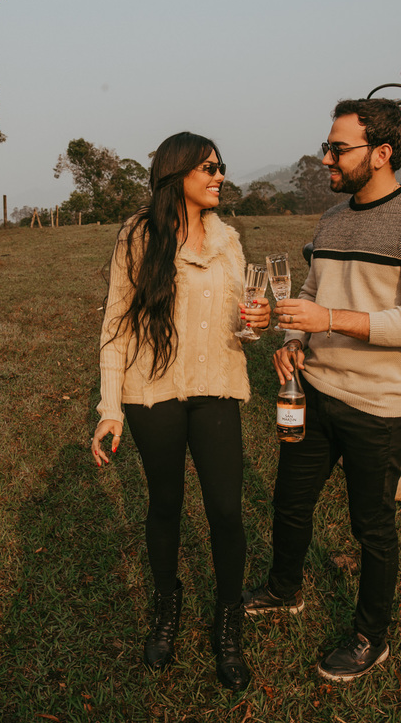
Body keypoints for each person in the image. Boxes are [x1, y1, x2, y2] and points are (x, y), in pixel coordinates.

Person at [246, 99, 401, 682]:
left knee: (372, 526)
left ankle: (371, 636)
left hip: (380, 407)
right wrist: (294, 336)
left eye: (338, 148)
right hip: (314, 391)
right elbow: (311, 297)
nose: (326, 158)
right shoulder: (333, 221)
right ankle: (284, 588)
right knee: (290, 503)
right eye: (328, 146)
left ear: (382, 153)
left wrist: (330, 321)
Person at [91, 131, 270, 691]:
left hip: (217, 385)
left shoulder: (229, 239)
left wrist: (258, 325)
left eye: (221, 167)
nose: (220, 176)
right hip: (153, 391)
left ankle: (227, 625)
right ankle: (166, 611)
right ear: (177, 175)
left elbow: (245, 315)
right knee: (165, 505)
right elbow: (117, 325)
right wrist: (110, 408)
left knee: (225, 510)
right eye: (209, 167)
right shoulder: (138, 237)